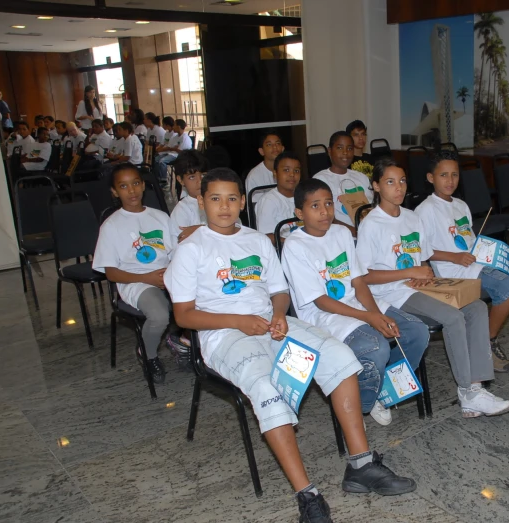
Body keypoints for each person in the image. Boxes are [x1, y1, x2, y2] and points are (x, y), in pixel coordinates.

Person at [164, 168, 417, 522]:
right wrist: (237, 321)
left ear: (241, 202)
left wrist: (280, 313)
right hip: (224, 334)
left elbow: (278, 292)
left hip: (271, 324)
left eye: (232, 198)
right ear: (202, 202)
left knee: (340, 358)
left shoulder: (256, 241)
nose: (225, 207)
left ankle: (360, 465)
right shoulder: (190, 249)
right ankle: (308, 495)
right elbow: (184, 316)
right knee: (268, 388)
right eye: (215, 199)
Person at [357, 158, 509, 418]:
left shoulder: (411, 218)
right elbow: (364, 277)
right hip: (390, 293)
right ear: (376, 186)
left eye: (403, 181)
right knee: (453, 317)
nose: (399, 188)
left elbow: (423, 257)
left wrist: (424, 273)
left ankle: (476, 385)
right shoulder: (371, 224)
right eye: (390, 182)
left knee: (475, 307)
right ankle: (466, 392)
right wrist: (409, 273)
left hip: (416, 287)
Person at [282, 178, 429, 426]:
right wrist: (369, 318)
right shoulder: (295, 246)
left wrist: (376, 314)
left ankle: (383, 387)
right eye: (315, 206)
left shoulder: (341, 233)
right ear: (299, 213)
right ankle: (361, 402)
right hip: (325, 316)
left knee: (416, 331)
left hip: (358, 305)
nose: (324, 211)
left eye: (328, 203)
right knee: (376, 346)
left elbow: (359, 282)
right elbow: (320, 301)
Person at [415, 150, 509, 372]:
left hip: (476, 263)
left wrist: (502, 256)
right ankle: (483, 344)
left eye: (454, 175)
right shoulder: (425, 210)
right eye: (443, 175)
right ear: (430, 178)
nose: (450, 181)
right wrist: (454, 256)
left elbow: (474, 244)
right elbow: (421, 251)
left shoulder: (460, 205)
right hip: (455, 271)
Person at [93, 163, 173, 383]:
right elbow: (111, 273)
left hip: (166, 276)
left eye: (136, 183)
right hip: (136, 281)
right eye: (124, 186)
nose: (132, 191)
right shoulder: (111, 226)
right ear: (114, 192)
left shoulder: (160, 217)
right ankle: (147, 354)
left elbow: (175, 253)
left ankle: (189, 347)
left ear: (143, 185)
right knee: (159, 315)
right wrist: (147, 278)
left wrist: (172, 274)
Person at [314, 131, 374, 235]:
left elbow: (374, 207)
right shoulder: (320, 180)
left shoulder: (361, 177)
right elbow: (326, 218)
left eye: (350, 148)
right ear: (329, 151)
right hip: (341, 236)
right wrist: (356, 232)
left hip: (369, 232)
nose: (345, 152)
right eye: (340, 148)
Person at [255, 150, 301, 244]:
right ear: (275, 174)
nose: (292, 174)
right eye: (286, 170)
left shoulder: (304, 196)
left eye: (296, 171)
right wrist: (293, 244)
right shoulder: (268, 201)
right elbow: (266, 236)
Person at [169, 150, 209, 247]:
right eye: (192, 177)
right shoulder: (181, 211)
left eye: (203, 175)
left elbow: (235, 228)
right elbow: (180, 244)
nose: (200, 181)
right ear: (180, 180)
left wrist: (200, 229)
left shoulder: (220, 201)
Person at [244, 132, 283, 203]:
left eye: (278, 143)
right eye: (269, 144)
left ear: (283, 149)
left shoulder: (289, 171)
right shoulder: (254, 176)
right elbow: (255, 208)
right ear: (261, 151)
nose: (275, 147)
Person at [154, 118, 191, 183]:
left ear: (178, 127)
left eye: (174, 125)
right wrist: (174, 148)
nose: (173, 127)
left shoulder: (185, 138)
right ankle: (157, 177)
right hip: (171, 153)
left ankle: (163, 179)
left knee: (162, 161)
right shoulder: (176, 137)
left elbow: (181, 151)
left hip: (177, 156)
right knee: (156, 159)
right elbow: (170, 147)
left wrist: (174, 148)